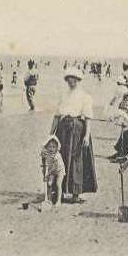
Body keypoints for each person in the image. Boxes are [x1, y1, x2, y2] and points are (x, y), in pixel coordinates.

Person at [50, 67, 97, 203]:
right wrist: (51, 133)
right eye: (69, 79)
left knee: (77, 160)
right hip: (63, 129)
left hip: (77, 129)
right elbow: (57, 116)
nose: (72, 82)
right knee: (61, 159)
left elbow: (87, 117)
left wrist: (87, 135)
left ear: (78, 80)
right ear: (67, 80)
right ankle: (61, 192)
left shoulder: (85, 96)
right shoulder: (63, 95)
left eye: (74, 79)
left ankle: (76, 194)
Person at [40, 135, 65, 207]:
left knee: (58, 184)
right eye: (50, 147)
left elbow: (55, 167)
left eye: (54, 147)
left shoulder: (56, 156)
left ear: (57, 148)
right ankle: (49, 200)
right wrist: (44, 174)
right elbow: (44, 164)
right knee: (49, 184)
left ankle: (58, 201)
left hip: (59, 170)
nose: (51, 149)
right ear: (46, 147)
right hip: (51, 170)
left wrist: (48, 175)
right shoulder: (45, 154)